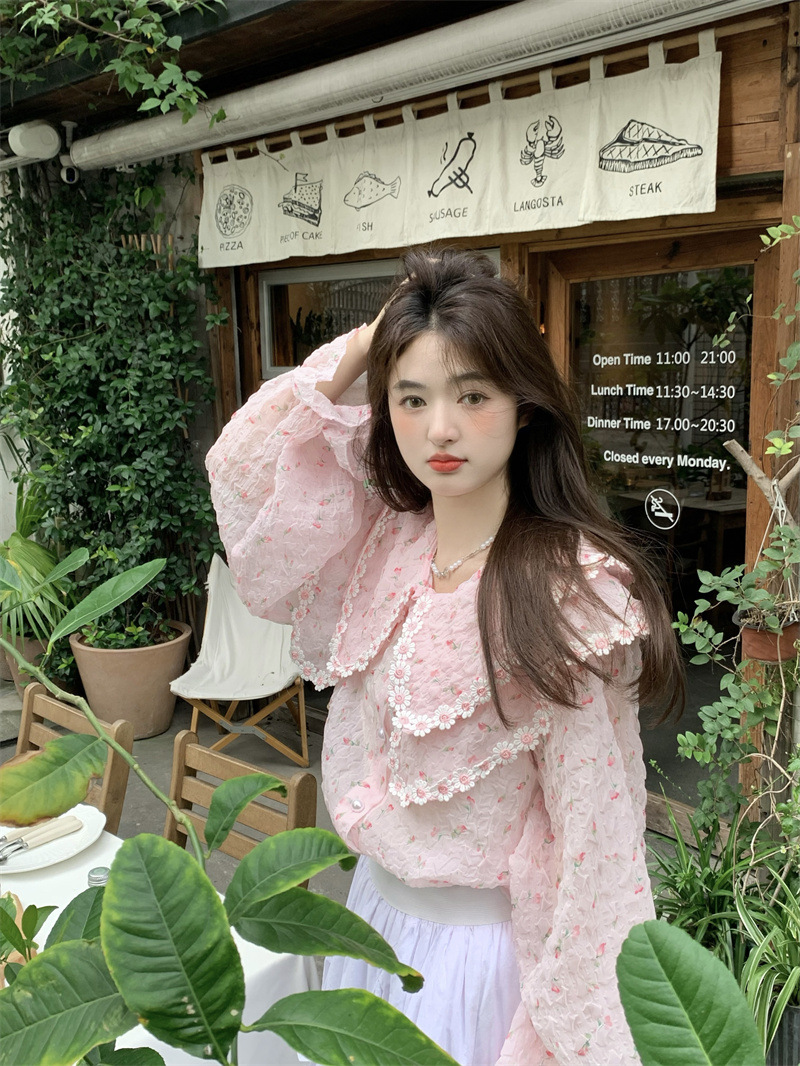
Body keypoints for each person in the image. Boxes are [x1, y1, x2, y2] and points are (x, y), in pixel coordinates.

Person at [206, 248, 683, 1066]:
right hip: (368, 926)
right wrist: (368, 343)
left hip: (481, 967)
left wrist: (570, 1032)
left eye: (473, 395)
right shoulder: (383, 548)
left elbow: (595, 846)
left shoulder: (568, 595)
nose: (440, 430)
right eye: (412, 398)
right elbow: (247, 482)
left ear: (524, 406)